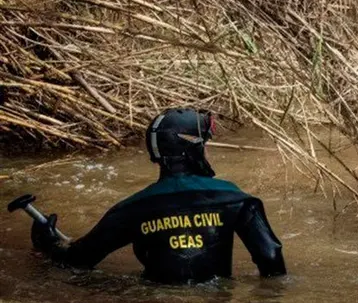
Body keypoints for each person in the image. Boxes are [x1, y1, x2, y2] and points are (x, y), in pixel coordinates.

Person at [30, 108, 287, 284]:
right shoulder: (237, 199)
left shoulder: (131, 209)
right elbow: (272, 262)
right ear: (194, 149)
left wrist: (49, 242)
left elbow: (77, 262)